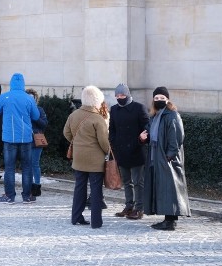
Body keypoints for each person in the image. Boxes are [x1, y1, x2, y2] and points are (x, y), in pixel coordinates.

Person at [140, 87, 191, 230]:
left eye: (162, 98)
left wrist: (169, 156)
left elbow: (176, 138)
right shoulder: (155, 116)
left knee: (170, 188)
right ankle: (168, 219)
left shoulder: (172, 115)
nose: (159, 100)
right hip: (156, 157)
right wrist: (144, 138)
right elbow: (151, 134)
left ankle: (170, 221)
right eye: (156, 98)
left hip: (167, 158)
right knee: (164, 188)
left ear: (167, 99)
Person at [63, 86, 111, 228]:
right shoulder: (98, 118)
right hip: (95, 161)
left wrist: (77, 142)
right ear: (98, 100)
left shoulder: (74, 115)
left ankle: (76, 217)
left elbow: (66, 132)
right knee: (96, 191)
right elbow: (103, 141)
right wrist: (108, 152)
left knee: (79, 188)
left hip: (78, 158)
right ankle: (96, 222)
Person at [0, 73, 41, 204]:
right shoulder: (28, 98)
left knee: (9, 168)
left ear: (11, 83)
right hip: (25, 138)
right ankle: (27, 196)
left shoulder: (5, 97)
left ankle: (9, 196)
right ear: (23, 84)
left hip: (9, 138)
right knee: (27, 167)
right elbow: (36, 116)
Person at [109, 83, 150, 220]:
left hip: (137, 150)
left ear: (128, 94)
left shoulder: (139, 108)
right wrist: (114, 143)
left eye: (122, 95)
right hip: (121, 151)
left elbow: (146, 127)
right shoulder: (114, 109)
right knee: (126, 181)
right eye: (117, 95)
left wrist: (142, 139)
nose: (120, 97)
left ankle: (139, 208)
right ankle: (128, 206)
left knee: (138, 181)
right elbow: (112, 129)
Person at [26, 89, 48, 196]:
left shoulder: (39, 110)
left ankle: (37, 186)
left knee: (34, 163)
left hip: (36, 140)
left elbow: (44, 124)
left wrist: (35, 116)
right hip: (25, 140)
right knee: (27, 164)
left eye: (32, 98)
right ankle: (28, 185)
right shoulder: (23, 109)